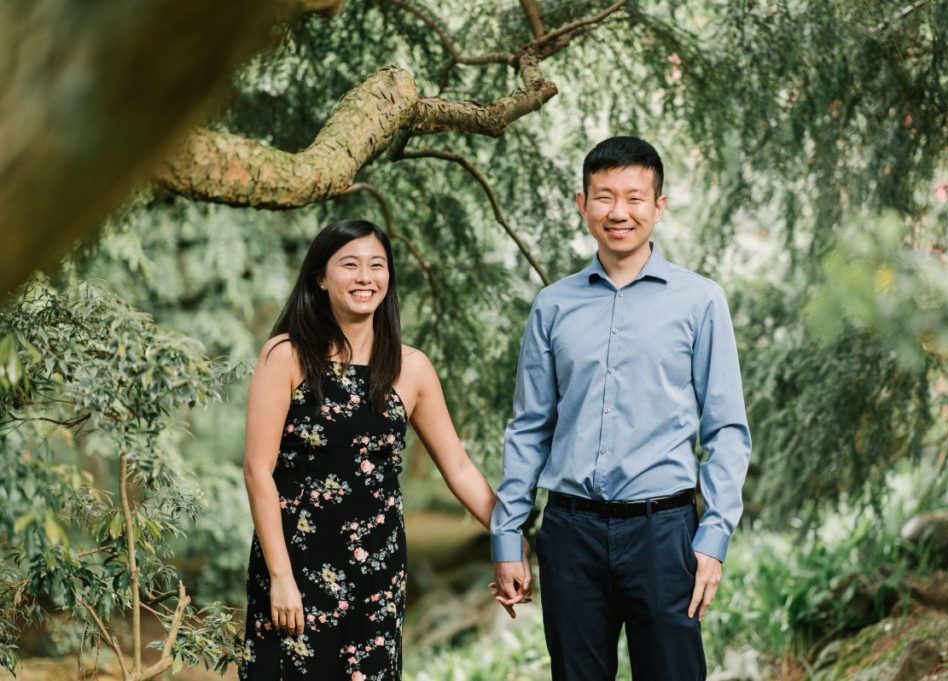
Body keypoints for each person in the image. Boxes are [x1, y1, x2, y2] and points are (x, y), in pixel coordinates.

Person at [490, 137, 751, 681]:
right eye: (604, 197)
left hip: (664, 534)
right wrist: (508, 535)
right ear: (583, 204)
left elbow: (725, 429)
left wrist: (714, 536)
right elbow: (529, 428)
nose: (619, 212)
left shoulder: (701, 301)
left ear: (658, 206)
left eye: (635, 198)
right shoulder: (553, 306)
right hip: (570, 532)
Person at [239, 219, 529, 680]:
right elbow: (258, 471)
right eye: (349, 265)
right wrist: (280, 576)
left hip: (377, 571)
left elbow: (458, 467)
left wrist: (510, 539)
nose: (364, 277)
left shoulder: (411, 369)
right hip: (294, 565)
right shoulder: (286, 356)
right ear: (320, 277)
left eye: (376, 265)